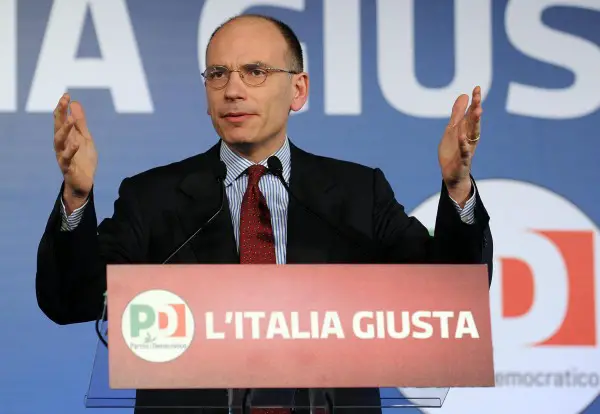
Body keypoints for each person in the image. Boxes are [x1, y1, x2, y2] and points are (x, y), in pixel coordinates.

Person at [36, 13, 493, 414]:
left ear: (298, 89)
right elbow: (71, 299)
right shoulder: (154, 197)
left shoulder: (357, 193)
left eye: (254, 72)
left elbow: (450, 293)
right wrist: (76, 198)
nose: (232, 90)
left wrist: (457, 190)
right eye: (217, 73)